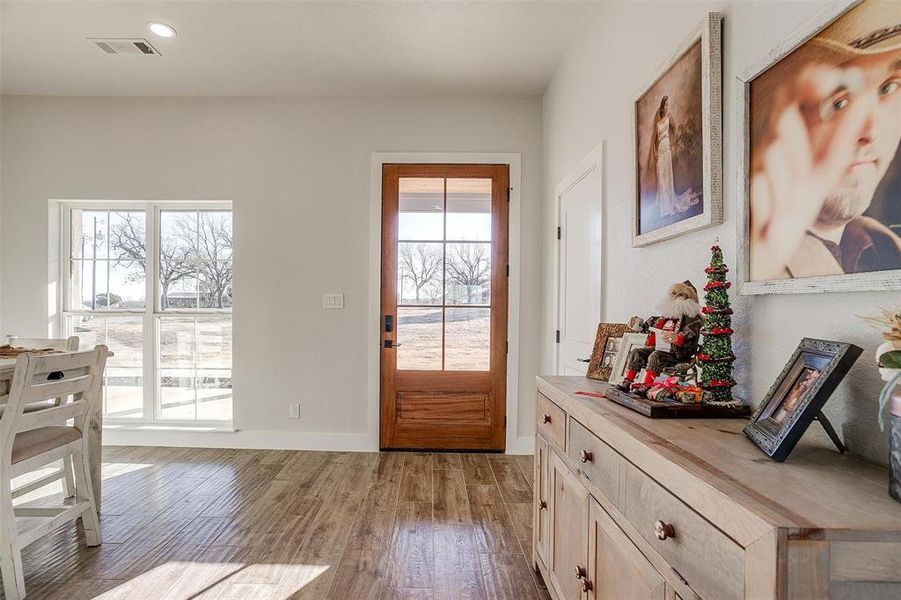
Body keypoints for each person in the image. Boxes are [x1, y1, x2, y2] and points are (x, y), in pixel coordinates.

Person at [750, 0, 901, 280]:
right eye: (839, 102)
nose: (871, 131)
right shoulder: (759, 263)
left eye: (888, 87)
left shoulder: (886, 248)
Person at [616, 281, 703, 395]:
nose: (676, 297)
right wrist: (640, 325)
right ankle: (627, 382)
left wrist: (678, 337)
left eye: (681, 295)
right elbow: (652, 325)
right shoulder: (666, 315)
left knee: (655, 356)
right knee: (637, 352)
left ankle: (646, 386)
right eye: (674, 293)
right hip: (661, 348)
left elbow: (691, 332)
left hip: (677, 353)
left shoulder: (692, 317)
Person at [652, 96, 678, 217]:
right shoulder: (657, 124)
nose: (667, 107)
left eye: (668, 104)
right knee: (661, 177)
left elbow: (675, 129)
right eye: (665, 105)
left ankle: (668, 206)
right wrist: (655, 152)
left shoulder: (669, 117)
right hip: (660, 150)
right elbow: (655, 140)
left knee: (667, 175)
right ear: (662, 107)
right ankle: (663, 206)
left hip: (667, 147)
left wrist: (673, 142)